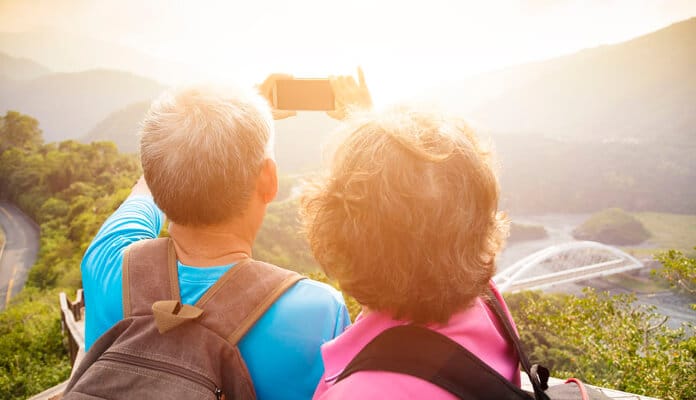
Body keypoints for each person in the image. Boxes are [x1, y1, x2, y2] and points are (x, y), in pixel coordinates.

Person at [80, 80, 351, 400]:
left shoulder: (107, 263)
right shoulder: (317, 311)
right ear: (270, 179)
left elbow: (147, 186)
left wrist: (206, 130)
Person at [300, 76, 520, 399]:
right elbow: (425, 215)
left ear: (343, 236)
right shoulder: (489, 307)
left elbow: (402, 227)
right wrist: (368, 120)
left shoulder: (360, 393)